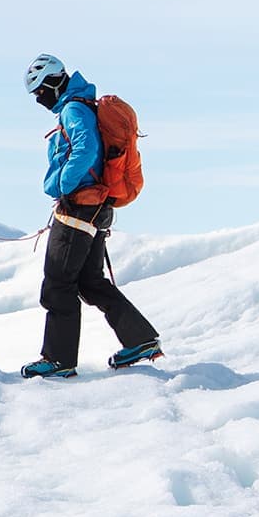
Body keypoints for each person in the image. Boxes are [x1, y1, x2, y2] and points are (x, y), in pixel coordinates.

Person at [21, 54, 162, 379]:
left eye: (41, 91)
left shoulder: (73, 109)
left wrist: (63, 185)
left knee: (58, 283)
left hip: (79, 207)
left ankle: (59, 360)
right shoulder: (81, 106)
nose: (40, 99)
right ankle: (141, 340)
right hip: (97, 208)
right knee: (90, 282)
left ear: (55, 82)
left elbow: (86, 149)